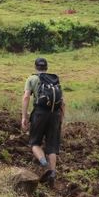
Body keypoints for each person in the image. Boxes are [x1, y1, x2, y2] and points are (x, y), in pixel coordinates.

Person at [21, 57, 65, 185]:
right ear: (46, 67)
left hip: (40, 113)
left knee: (34, 143)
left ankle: (45, 166)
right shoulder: (55, 79)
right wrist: (61, 118)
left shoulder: (32, 79)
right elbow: (63, 102)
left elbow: (26, 97)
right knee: (52, 146)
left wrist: (24, 116)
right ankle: (53, 173)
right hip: (55, 114)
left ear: (35, 67)